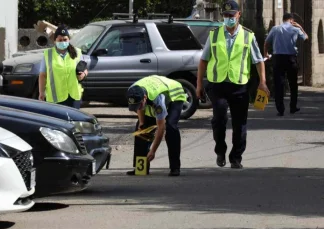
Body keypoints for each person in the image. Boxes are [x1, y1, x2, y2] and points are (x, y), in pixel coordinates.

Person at [196, 0, 270, 169]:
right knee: (219, 119)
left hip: (240, 86)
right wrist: (199, 84)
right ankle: (220, 151)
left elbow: (258, 61)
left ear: (239, 15)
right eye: (226, 15)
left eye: (231, 15)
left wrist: (263, 82)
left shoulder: (248, 35)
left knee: (240, 123)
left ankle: (236, 157)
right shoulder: (214, 35)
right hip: (218, 84)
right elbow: (203, 60)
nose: (228, 18)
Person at [126, 75, 186, 176]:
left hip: (174, 95)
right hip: (153, 92)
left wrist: (153, 150)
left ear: (144, 98)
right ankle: (141, 168)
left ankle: (175, 167)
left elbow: (161, 127)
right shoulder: (132, 91)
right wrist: (141, 123)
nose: (137, 108)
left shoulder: (158, 101)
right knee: (141, 129)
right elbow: (140, 108)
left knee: (171, 127)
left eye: (139, 105)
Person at [264, 13, 308, 116]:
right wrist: (300, 27)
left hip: (278, 58)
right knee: (293, 84)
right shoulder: (295, 29)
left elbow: (266, 42)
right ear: (292, 20)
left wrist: (265, 54)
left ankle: (280, 109)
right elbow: (306, 38)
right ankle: (293, 107)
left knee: (279, 84)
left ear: (283, 19)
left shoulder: (275, 29)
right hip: (291, 59)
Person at [38, 25, 88, 109]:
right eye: (60, 40)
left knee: (73, 122)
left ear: (69, 40)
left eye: (65, 40)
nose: (63, 42)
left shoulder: (77, 52)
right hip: (55, 98)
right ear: (55, 41)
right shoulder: (48, 54)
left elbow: (84, 69)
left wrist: (84, 74)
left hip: (74, 97)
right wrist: (41, 93)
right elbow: (42, 75)